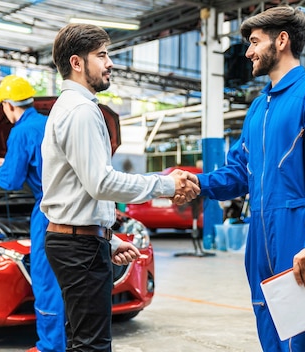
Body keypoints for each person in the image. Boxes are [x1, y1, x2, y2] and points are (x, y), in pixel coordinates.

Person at [194, 6, 305, 351]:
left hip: (298, 234)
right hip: (260, 236)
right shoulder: (258, 107)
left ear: (281, 40)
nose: (249, 52)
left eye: (254, 42)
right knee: (270, 328)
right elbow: (240, 171)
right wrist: (197, 183)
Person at [40, 23, 200, 352]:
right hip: (77, 249)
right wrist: (165, 184)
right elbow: (101, 182)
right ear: (77, 63)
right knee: (93, 347)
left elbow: (79, 188)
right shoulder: (82, 111)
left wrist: (106, 240)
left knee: (82, 342)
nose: (110, 62)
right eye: (101, 55)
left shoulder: (69, 107)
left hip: (77, 242)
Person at [0, 75, 65, 352]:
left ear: (7, 105)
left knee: (46, 279)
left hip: (47, 211)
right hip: (73, 207)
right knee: (71, 279)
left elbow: (12, 180)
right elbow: (39, 162)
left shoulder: (20, 131)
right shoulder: (49, 122)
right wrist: (8, 162)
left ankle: (50, 347)